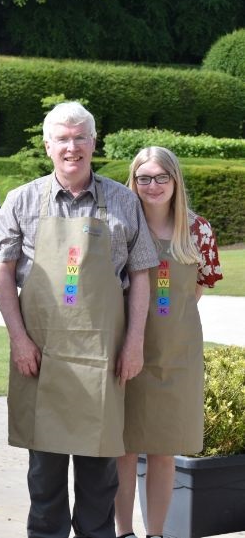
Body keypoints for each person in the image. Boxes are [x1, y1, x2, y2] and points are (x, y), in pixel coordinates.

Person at [0, 101, 158, 538]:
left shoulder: (123, 201)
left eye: (80, 137)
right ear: (48, 145)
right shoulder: (21, 200)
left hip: (102, 357)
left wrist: (134, 343)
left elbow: (142, 275)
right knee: (44, 478)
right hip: (41, 356)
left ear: (93, 143)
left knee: (99, 476)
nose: (72, 147)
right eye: (62, 139)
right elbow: (3, 277)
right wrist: (19, 340)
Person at [114, 146, 223, 538]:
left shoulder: (197, 231)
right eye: (144, 178)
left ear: (176, 180)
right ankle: (124, 532)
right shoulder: (122, 226)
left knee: (164, 449)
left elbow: (197, 288)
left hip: (177, 353)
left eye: (162, 177)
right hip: (125, 351)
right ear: (133, 181)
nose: (153, 185)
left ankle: (155, 533)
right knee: (123, 449)